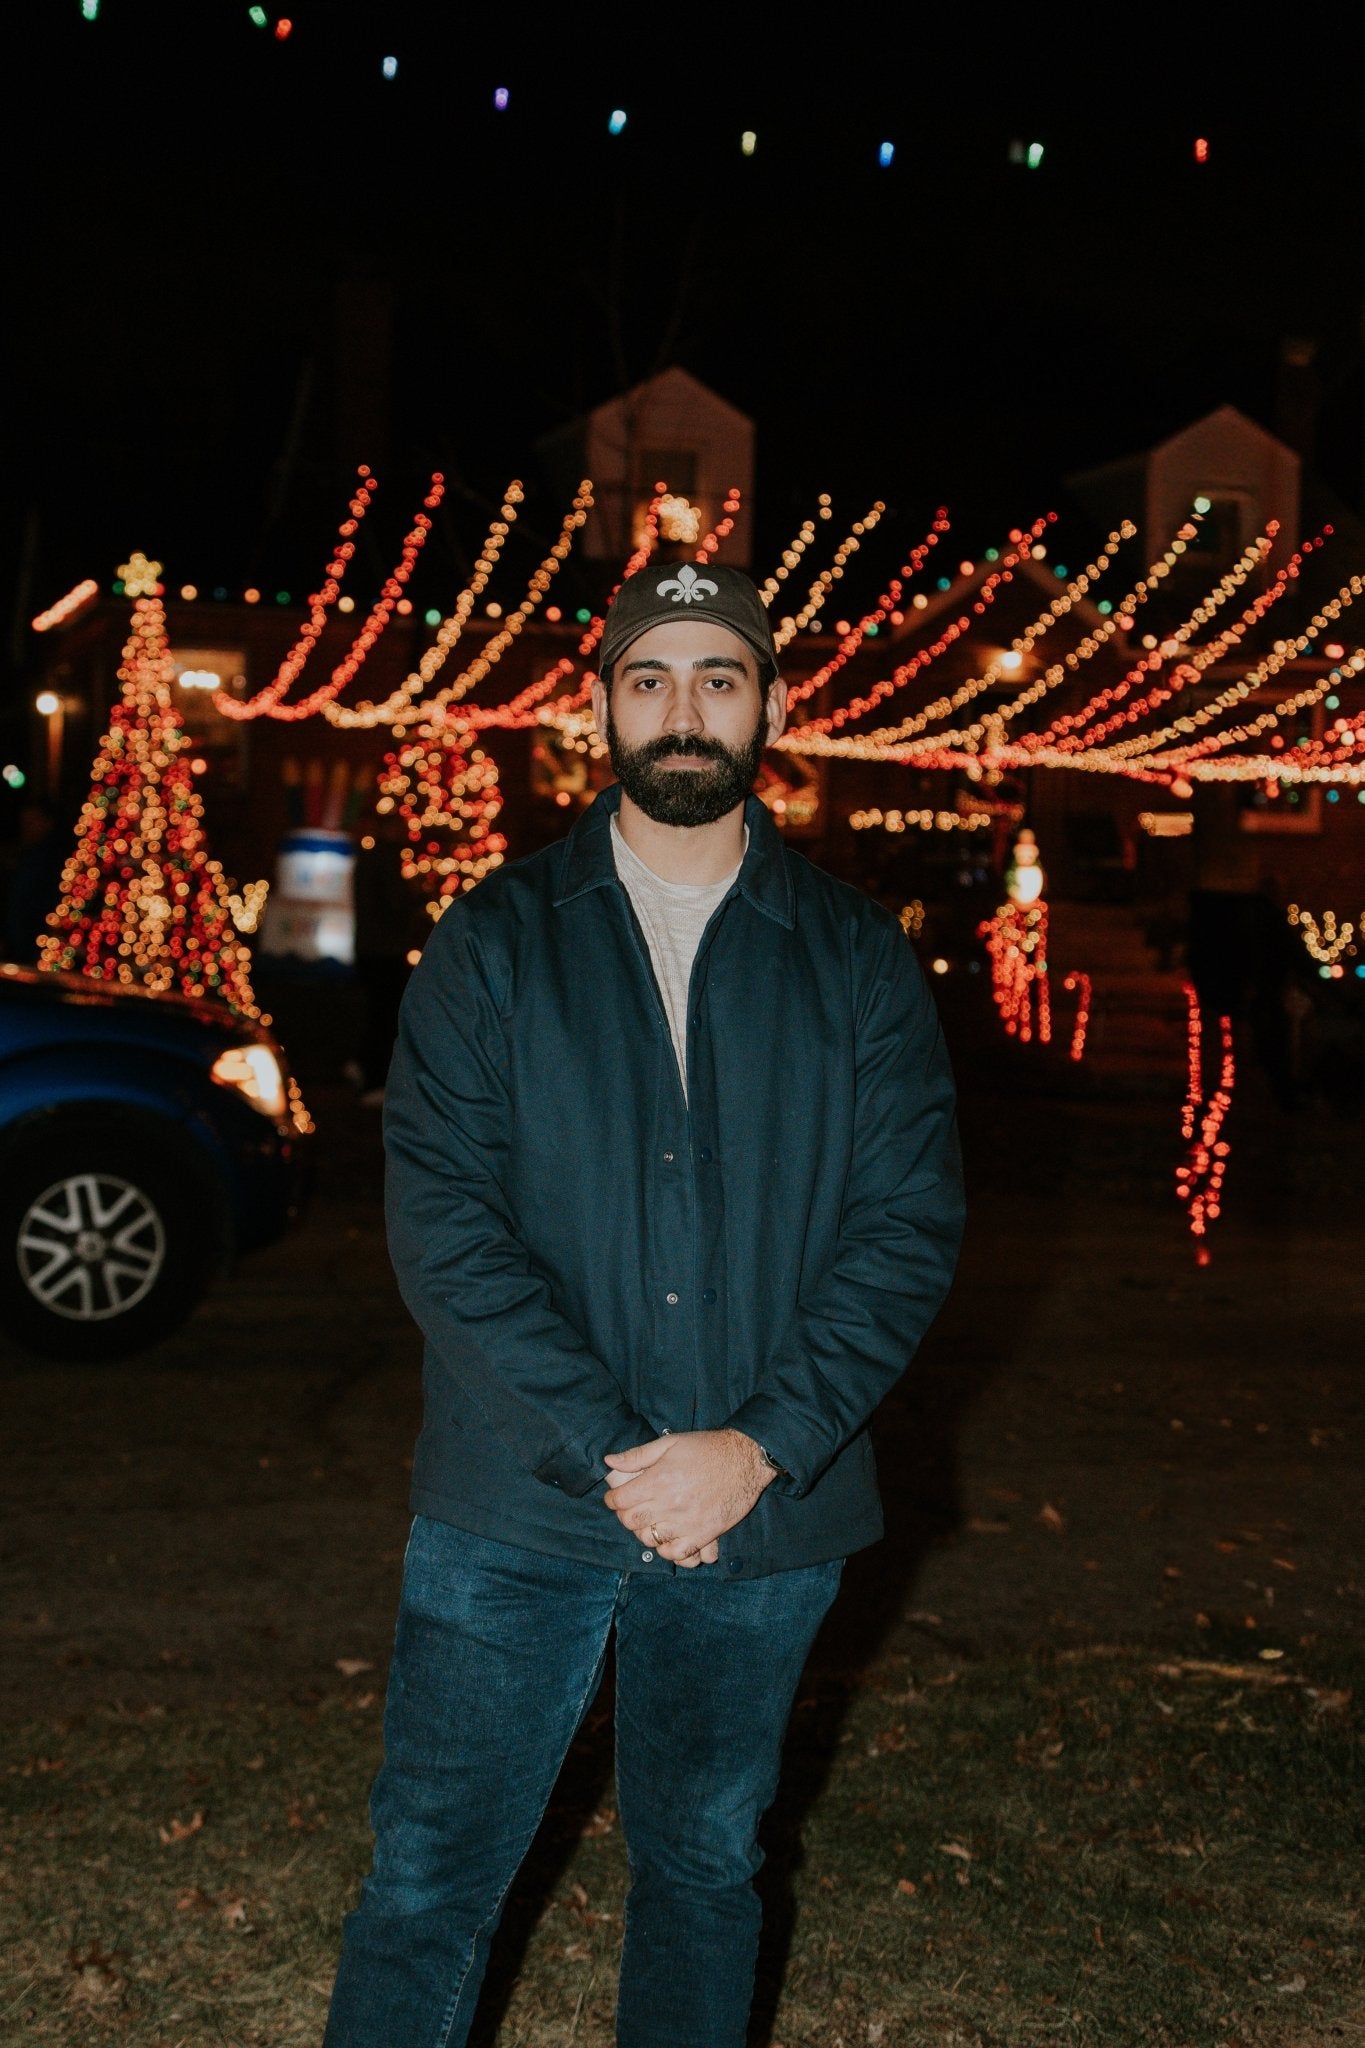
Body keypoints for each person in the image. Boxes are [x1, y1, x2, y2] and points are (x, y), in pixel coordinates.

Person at [324, 561, 965, 2048]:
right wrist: (618, 1450)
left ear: (774, 705)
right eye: (650, 678)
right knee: (428, 1883)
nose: (684, 711)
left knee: (702, 1868)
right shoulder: (494, 941)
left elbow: (905, 1227)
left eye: (718, 677)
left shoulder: (858, 960)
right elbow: (444, 1226)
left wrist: (754, 1447)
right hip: (514, 1509)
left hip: (763, 1518)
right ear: (600, 705)